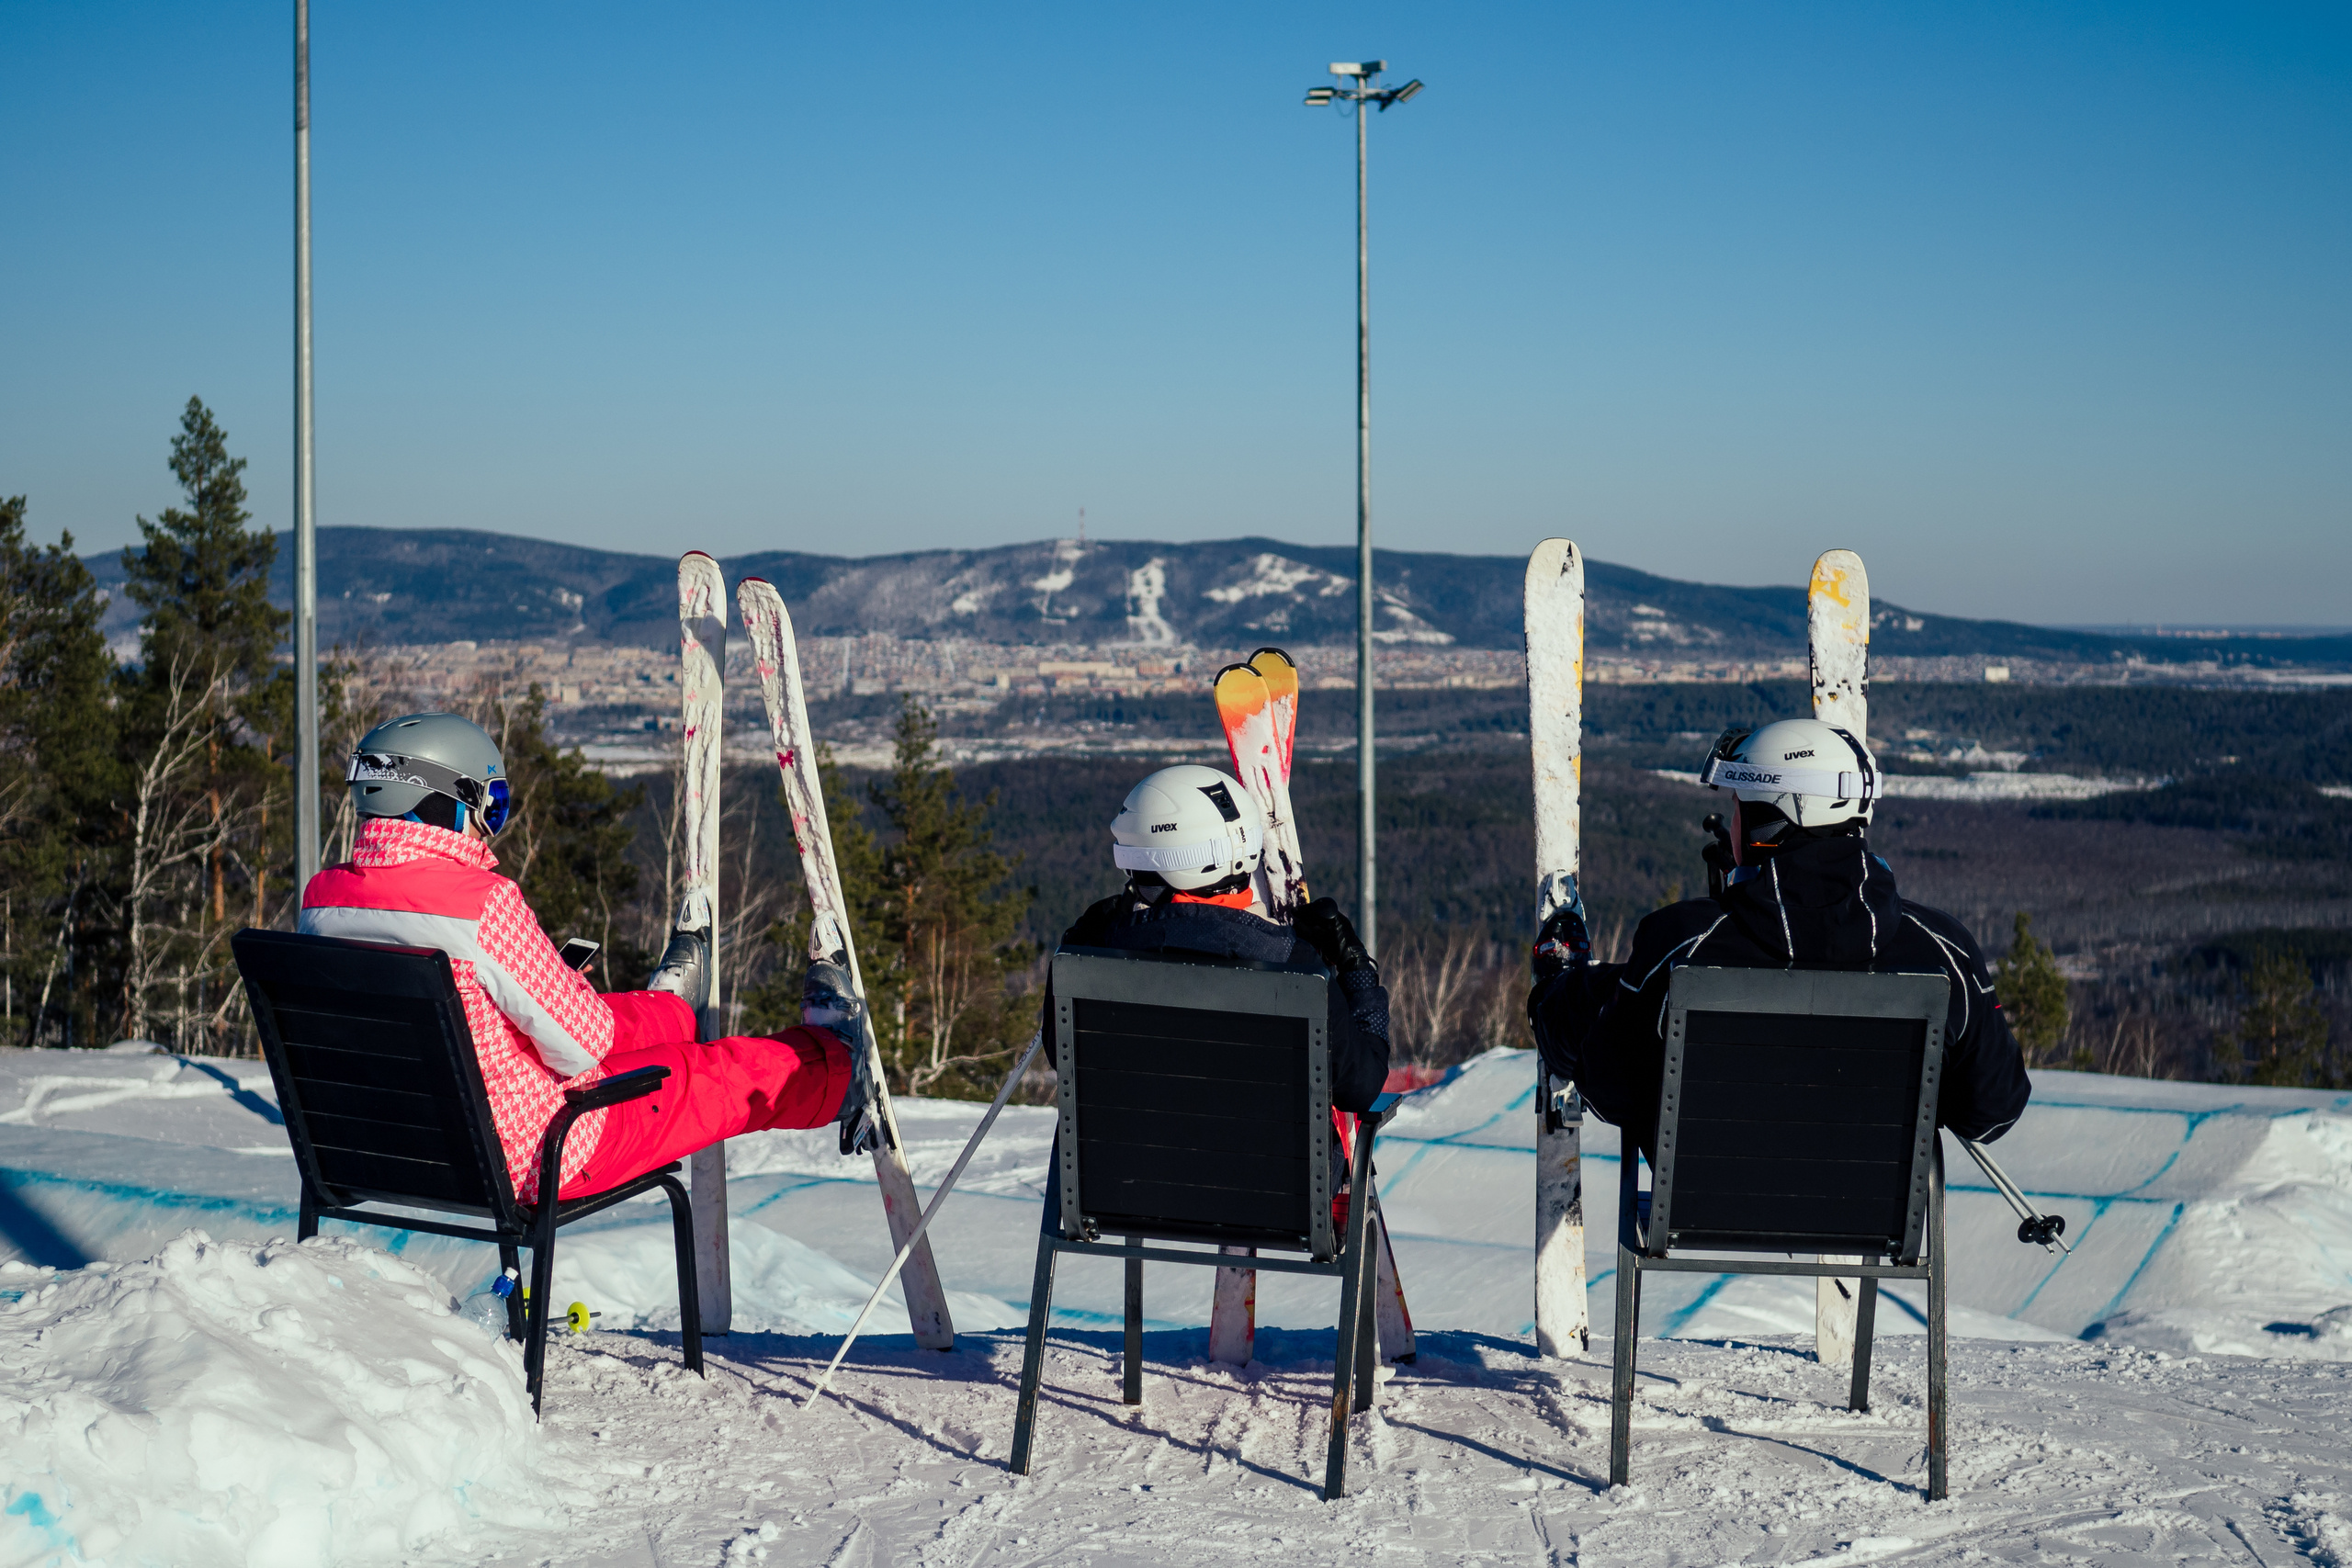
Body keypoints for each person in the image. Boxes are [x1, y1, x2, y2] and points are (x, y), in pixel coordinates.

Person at [303, 712, 875, 1202]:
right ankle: (838, 1068)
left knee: (603, 1016)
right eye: (491, 805)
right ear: (456, 800)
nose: (488, 827)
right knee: (714, 1076)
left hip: (396, 1151)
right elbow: (582, 1049)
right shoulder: (479, 905)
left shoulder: (321, 900)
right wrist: (561, 986)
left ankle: (673, 1010)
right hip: (536, 1156)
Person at [1527, 718, 2030, 1157]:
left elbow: (1610, 1090)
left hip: (1705, 1209)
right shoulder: (1944, 951)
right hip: (1869, 1213)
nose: (1734, 821)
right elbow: (1993, 1112)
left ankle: (1560, 983)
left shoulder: (1684, 942)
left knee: (1608, 998)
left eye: (1739, 807)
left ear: (1769, 819)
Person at [1055, 763, 1391, 1111]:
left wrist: (1087, 931)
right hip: (1261, 1148)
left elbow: (1059, 1050)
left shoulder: (1095, 959)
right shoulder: (1296, 968)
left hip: (1128, 1147)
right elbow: (1361, 1087)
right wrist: (1356, 970)